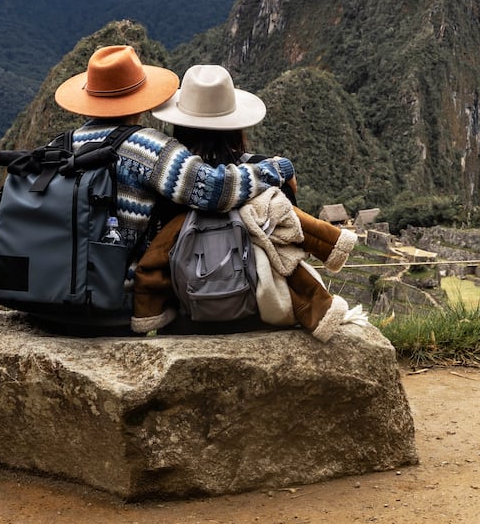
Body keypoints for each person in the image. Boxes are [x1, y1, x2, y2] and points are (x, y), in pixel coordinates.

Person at [130, 64, 358, 340]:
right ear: (236, 126)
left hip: (188, 317)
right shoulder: (265, 171)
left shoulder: (173, 184)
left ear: (179, 127)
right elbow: (293, 240)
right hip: (260, 315)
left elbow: (154, 249)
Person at [53, 46, 297, 250]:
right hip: (117, 286)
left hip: (58, 281)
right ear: (139, 98)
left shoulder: (61, 145)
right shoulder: (147, 147)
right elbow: (213, 188)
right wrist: (277, 168)